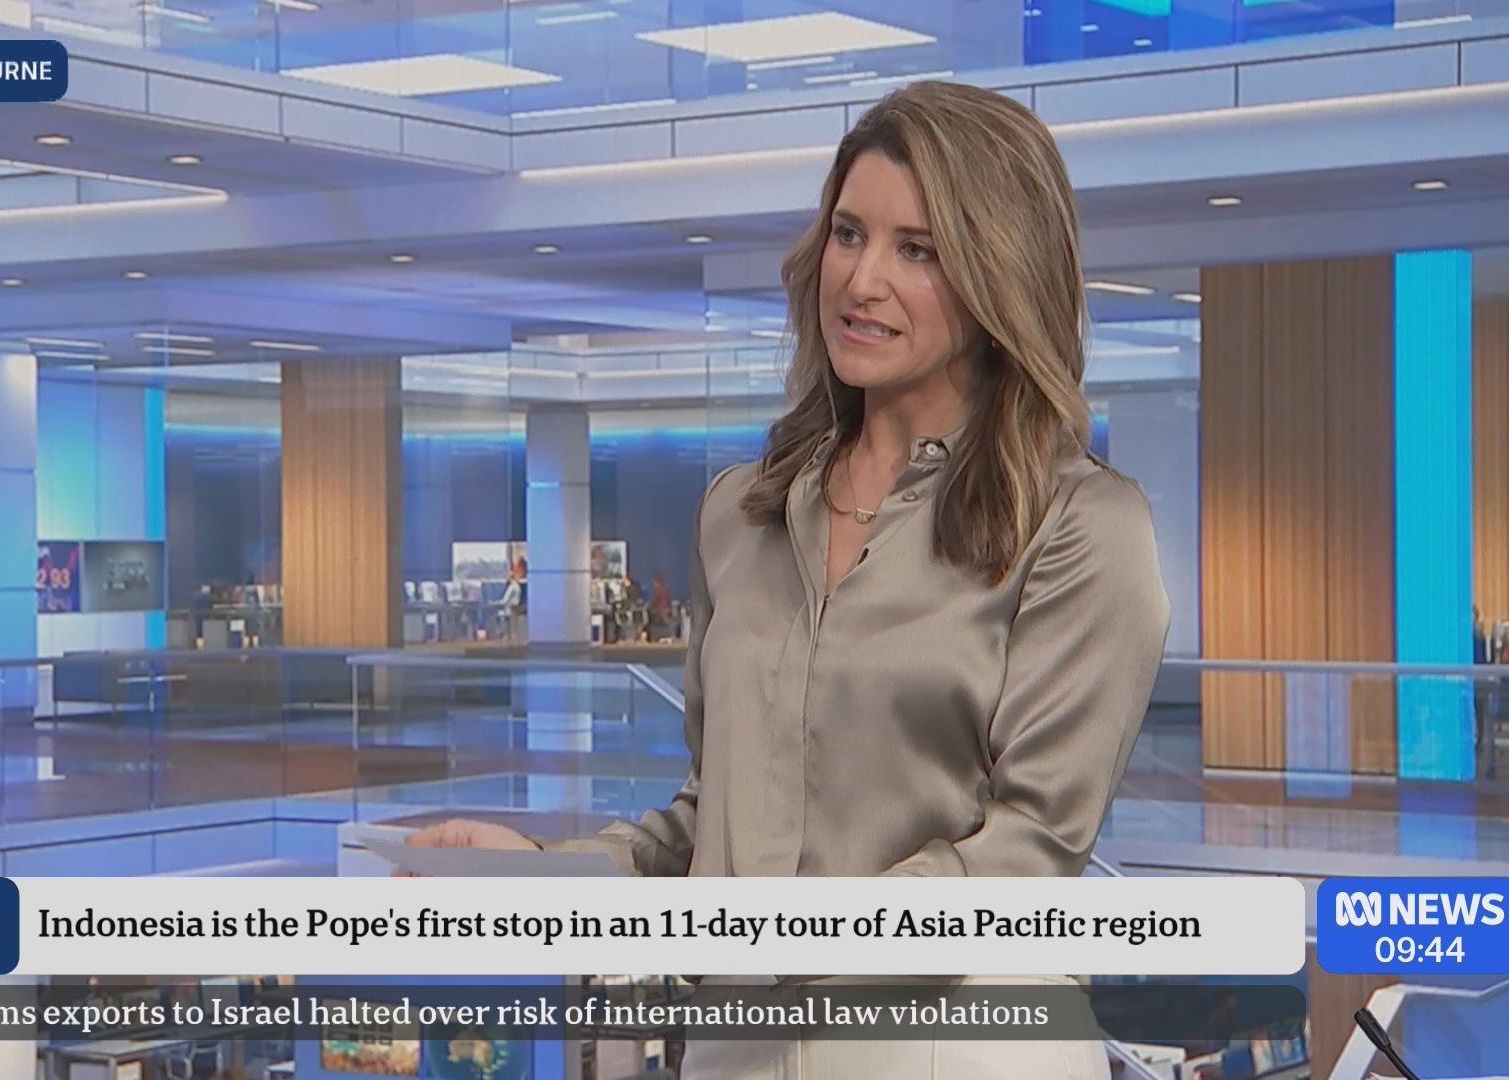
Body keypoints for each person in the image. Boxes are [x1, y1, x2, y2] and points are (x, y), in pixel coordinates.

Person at [406, 81, 1168, 1079]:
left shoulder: (1081, 527)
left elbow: (1029, 849)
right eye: (849, 234)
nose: (862, 279)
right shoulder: (742, 514)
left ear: (999, 274)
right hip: (739, 1043)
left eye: (917, 250)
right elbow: (713, 826)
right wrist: (550, 880)